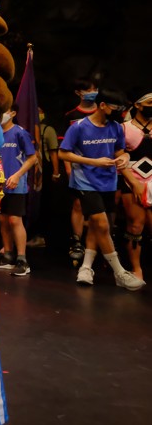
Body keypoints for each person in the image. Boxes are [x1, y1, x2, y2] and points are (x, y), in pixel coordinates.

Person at [59, 87, 145, 290]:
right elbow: (63, 153)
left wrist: (125, 158)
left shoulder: (116, 127)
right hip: (85, 181)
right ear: (103, 105)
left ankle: (86, 267)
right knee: (102, 224)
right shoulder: (79, 127)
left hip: (108, 182)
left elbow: (120, 152)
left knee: (97, 227)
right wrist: (93, 162)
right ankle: (119, 272)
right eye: (116, 108)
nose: (120, 112)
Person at [0, 103, 38, 276]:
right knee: (3, 220)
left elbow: (33, 158)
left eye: (4, 111)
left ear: (13, 113)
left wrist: (17, 175)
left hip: (15, 185)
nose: (0, 114)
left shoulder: (20, 132)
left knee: (15, 220)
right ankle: (7, 256)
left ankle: (22, 259)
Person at [61, 77, 100, 263]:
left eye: (94, 89)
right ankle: (77, 242)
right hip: (78, 168)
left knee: (101, 207)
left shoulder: (103, 113)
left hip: (102, 168)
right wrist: (68, 169)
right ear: (78, 93)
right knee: (78, 204)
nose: (92, 93)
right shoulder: (71, 116)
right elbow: (64, 147)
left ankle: (101, 243)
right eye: (88, 90)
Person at [121, 91, 152, 281]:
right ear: (138, 105)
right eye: (150, 102)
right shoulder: (124, 128)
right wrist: (133, 183)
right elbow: (118, 158)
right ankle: (136, 269)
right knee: (135, 225)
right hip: (132, 180)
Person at [27, 105, 63, 248]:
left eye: (40, 111)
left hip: (45, 171)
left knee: (44, 203)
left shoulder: (48, 130)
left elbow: (54, 153)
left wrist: (55, 172)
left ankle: (42, 236)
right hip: (31, 171)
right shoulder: (27, 130)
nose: (39, 114)